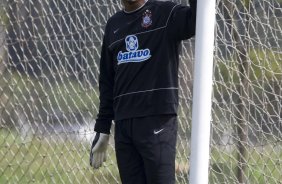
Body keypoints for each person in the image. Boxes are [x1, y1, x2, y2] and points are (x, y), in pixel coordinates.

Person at [90, 0, 197, 183]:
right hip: (123, 126)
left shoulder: (166, 13)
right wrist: (103, 128)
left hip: (157, 120)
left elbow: (198, 20)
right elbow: (107, 82)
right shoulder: (113, 24)